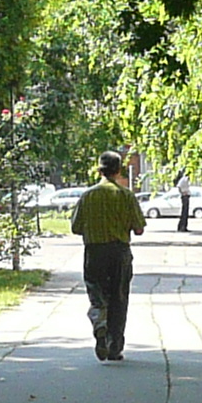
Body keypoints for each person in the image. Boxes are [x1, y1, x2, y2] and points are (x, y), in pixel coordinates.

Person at [71, 152, 148, 361]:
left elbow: (75, 228)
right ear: (119, 170)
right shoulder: (126, 195)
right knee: (119, 298)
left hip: (94, 252)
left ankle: (99, 323)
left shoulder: (88, 196)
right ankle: (115, 347)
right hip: (120, 252)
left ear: (99, 170)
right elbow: (139, 229)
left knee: (97, 295)